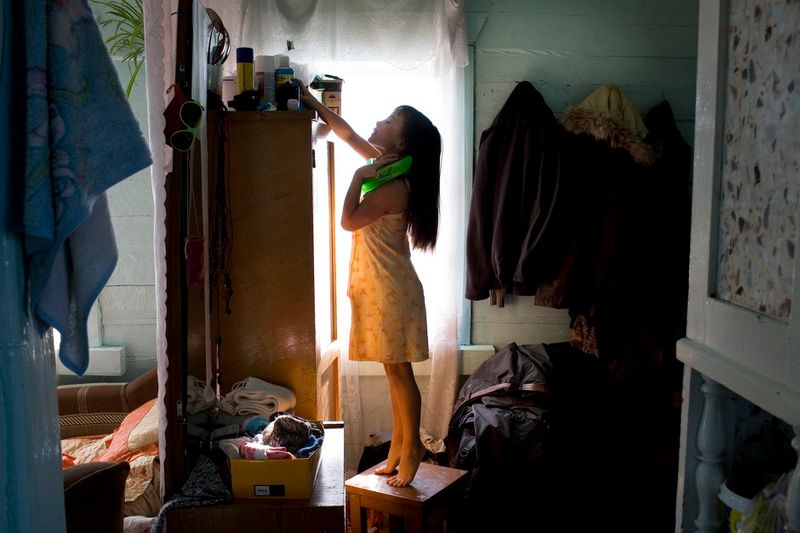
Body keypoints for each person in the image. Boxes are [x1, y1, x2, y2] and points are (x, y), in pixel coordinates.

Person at [299, 81, 441, 487]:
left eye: (391, 120)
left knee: (400, 373)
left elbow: (348, 221)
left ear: (403, 141)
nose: (380, 122)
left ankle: (412, 448)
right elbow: (346, 133)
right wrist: (313, 104)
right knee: (393, 371)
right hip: (381, 286)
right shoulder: (389, 166)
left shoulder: (392, 183)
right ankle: (399, 445)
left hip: (390, 288)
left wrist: (359, 176)